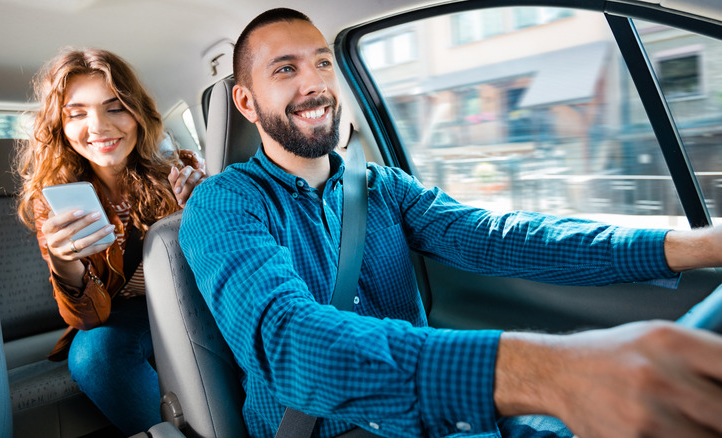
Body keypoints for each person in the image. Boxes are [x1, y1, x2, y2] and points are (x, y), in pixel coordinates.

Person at [179, 8, 722, 438]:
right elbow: (290, 343)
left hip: (441, 419)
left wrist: (698, 247)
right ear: (246, 103)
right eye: (286, 69)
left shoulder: (382, 186)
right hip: (332, 429)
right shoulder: (223, 205)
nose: (315, 84)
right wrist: (553, 372)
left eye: (323, 62)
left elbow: (499, 238)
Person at [16, 48, 205, 435]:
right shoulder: (52, 201)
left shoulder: (181, 170)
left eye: (115, 107)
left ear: (138, 113)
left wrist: (201, 212)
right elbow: (89, 319)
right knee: (93, 355)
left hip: (188, 298)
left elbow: (216, 267)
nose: (98, 127)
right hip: (122, 315)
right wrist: (64, 261)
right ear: (60, 126)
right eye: (77, 113)